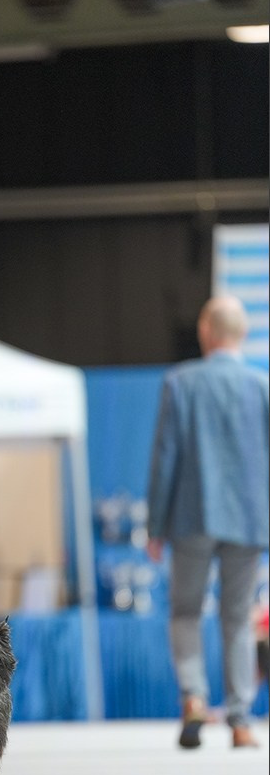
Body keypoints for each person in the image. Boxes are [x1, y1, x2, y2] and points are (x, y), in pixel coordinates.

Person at [146, 294, 269, 750]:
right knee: (238, 617)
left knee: (185, 611)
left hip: (192, 517)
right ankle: (240, 720)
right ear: (242, 334)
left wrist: (155, 526)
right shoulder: (262, 386)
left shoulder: (180, 382)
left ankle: (195, 697)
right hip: (250, 520)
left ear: (205, 331)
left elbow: (165, 460)